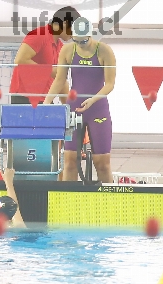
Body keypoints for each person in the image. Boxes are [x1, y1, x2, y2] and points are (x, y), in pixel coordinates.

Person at [44, 20, 116, 183]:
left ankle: (109, 198)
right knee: (70, 162)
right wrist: (46, 102)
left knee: (102, 164)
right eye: (76, 41)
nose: (80, 44)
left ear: (90, 35)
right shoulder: (68, 50)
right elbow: (60, 79)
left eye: (83, 41)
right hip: (74, 108)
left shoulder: (104, 50)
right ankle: (68, 198)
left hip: (97, 109)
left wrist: (93, 100)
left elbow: (110, 84)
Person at [9, 6, 79, 105]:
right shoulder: (39, 34)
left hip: (45, 100)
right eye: (73, 30)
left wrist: (69, 107)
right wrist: (50, 71)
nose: (73, 35)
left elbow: (60, 80)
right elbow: (20, 60)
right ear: (65, 23)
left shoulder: (60, 47)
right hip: (25, 97)